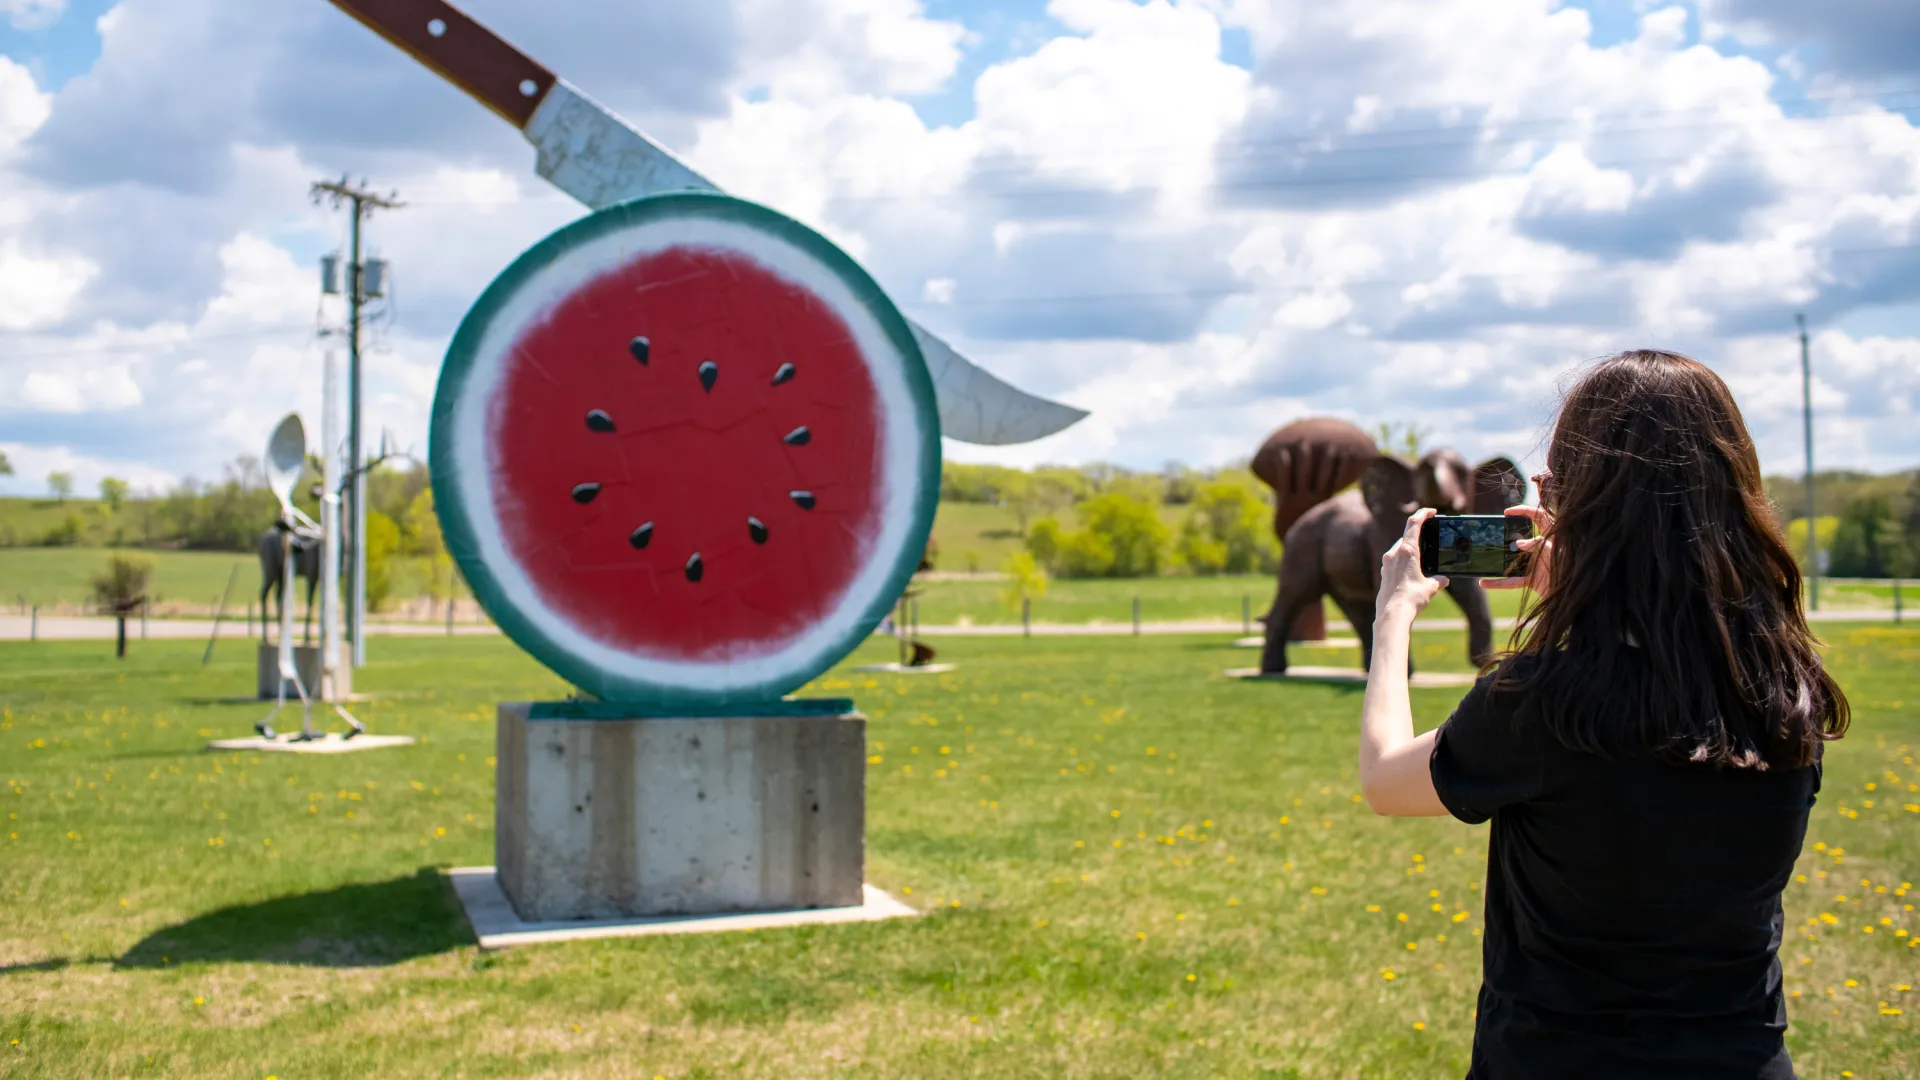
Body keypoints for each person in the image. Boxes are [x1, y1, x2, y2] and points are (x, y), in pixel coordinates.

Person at [1355, 350, 1847, 1078]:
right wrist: (1583, 596)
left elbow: (1386, 781)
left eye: (1553, 483)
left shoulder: (1548, 701)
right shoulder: (1785, 688)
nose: (1543, 500)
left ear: (1595, 505)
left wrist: (1393, 614)